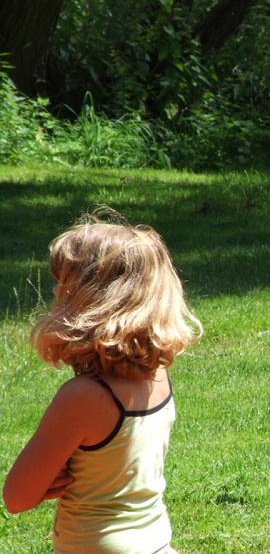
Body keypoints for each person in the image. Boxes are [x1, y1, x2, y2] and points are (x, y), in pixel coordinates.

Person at [2, 208, 201, 554]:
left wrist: (43, 480)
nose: (55, 289)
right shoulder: (157, 374)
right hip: (155, 542)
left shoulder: (83, 396)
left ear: (94, 299)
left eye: (64, 280)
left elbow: (17, 498)